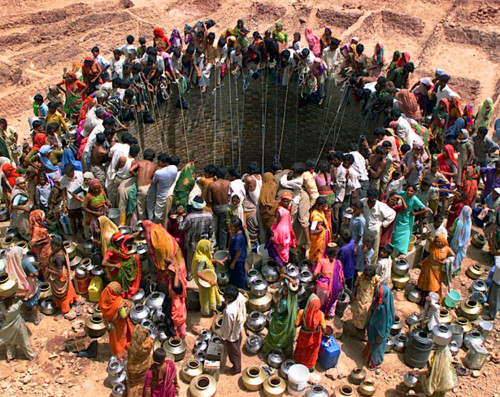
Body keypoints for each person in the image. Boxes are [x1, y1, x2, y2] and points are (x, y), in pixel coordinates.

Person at [177, 196, 214, 279]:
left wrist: (180, 216)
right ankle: (203, 274)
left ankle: (190, 275)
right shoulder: (209, 216)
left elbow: (181, 228)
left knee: (190, 261)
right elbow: (211, 230)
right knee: (203, 259)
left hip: (191, 243)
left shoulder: (190, 217)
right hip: (203, 243)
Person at [6, 246, 42, 325]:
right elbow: (36, 273)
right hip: (27, 286)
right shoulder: (24, 263)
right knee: (32, 302)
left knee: (21, 301)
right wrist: (33, 274)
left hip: (17, 289)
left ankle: (25, 315)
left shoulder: (8, 264)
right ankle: (36, 318)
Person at [99, 281, 134, 358]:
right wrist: (129, 306)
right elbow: (123, 315)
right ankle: (120, 353)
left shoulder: (103, 297)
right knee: (120, 338)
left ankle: (115, 351)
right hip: (119, 324)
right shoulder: (118, 302)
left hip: (109, 323)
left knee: (113, 338)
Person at [262, 283, 297, 357]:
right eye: (284, 290)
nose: (283, 292)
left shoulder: (285, 303)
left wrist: (278, 301)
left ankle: (270, 349)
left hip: (280, 322)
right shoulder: (293, 300)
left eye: (286, 291)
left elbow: (278, 311)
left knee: (274, 336)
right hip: (287, 322)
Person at [102, 232, 141, 299]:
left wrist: (142, 230)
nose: (121, 242)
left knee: (136, 257)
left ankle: (131, 287)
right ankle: (125, 293)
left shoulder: (122, 240)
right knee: (121, 276)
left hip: (125, 262)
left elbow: (132, 235)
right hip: (118, 267)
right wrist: (114, 265)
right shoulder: (111, 250)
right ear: (115, 243)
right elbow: (103, 263)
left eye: (122, 240)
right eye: (119, 242)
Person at [364, 284, 395, 369]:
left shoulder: (384, 310)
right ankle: (368, 357)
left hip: (379, 333)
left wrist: (380, 336)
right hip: (374, 329)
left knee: (376, 348)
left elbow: (384, 326)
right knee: (371, 345)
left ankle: (374, 363)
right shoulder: (379, 302)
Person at [293, 294, 326, 370]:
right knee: (312, 352)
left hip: (304, 336)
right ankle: (310, 366)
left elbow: (296, 325)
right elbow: (324, 329)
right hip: (315, 338)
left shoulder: (302, 312)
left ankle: (298, 361)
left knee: (301, 349)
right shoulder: (320, 314)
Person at [46, 236, 78, 314]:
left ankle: (65, 309)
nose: (51, 248)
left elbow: (59, 273)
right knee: (67, 290)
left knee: (62, 295)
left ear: (58, 247)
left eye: (53, 247)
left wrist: (49, 270)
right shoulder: (59, 252)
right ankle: (72, 300)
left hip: (60, 278)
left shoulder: (58, 258)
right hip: (64, 274)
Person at [0, 294, 36, 362]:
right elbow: (25, 296)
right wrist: (16, 294)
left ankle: (10, 356)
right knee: (24, 341)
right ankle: (31, 355)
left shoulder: (2, 306)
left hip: (8, 326)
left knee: (9, 342)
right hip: (18, 326)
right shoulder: (16, 306)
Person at [390, 185, 426, 255]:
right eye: (408, 190)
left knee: (405, 234)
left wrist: (415, 213)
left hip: (408, 218)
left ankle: (402, 250)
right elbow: (393, 196)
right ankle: (393, 246)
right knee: (396, 231)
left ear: (414, 192)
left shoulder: (415, 199)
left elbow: (425, 209)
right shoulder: (402, 193)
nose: (409, 192)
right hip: (399, 215)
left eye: (411, 191)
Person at [417, 234, 454, 301]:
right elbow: (428, 237)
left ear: (442, 242)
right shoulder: (433, 245)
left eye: (438, 242)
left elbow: (453, 256)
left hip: (437, 270)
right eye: (436, 241)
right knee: (426, 282)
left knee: (434, 285)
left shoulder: (447, 249)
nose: (437, 243)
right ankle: (423, 298)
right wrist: (427, 233)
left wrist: (446, 260)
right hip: (428, 266)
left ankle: (433, 299)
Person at [221, 285, 246, 375]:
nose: (223, 296)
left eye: (225, 296)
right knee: (238, 336)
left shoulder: (229, 312)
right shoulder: (239, 296)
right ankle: (237, 343)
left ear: (230, 298)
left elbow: (227, 327)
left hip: (232, 333)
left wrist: (224, 337)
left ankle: (236, 368)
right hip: (239, 324)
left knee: (233, 351)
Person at [192, 239, 222, 316]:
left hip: (207, 280)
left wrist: (217, 261)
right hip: (205, 283)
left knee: (210, 295)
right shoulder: (201, 260)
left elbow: (208, 260)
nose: (210, 248)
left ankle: (211, 308)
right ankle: (206, 312)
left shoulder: (200, 254)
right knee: (206, 298)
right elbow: (199, 273)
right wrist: (209, 281)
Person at [313, 246, 344, 317]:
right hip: (334, 288)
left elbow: (315, 273)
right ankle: (330, 314)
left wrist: (314, 278)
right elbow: (341, 276)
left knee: (320, 302)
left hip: (322, 288)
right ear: (336, 254)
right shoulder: (338, 263)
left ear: (326, 252)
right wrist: (343, 285)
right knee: (332, 302)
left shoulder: (322, 261)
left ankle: (319, 315)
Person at [126, 325, 154, 397]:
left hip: (132, 369)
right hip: (144, 367)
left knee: (133, 385)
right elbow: (151, 342)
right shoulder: (146, 346)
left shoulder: (132, 345)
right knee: (143, 383)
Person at [351, 265, 380, 332]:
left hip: (368, 299)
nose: (367, 278)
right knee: (357, 312)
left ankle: (362, 327)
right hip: (359, 297)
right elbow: (356, 285)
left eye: (369, 277)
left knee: (365, 314)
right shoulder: (360, 276)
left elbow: (376, 290)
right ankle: (356, 326)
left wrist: (375, 300)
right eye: (366, 276)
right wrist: (353, 294)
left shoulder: (376, 279)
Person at [207, 166, 230, 249]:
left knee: (215, 228)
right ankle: (222, 247)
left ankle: (214, 245)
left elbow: (209, 200)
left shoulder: (212, 185)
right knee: (223, 228)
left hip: (216, 207)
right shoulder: (228, 183)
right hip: (225, 206)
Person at [166, 261, 187, 338]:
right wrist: (172, 263)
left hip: (177, 306)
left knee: (178, 321)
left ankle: (181, 335)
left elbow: (175, 285)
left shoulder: (177, 284)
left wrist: (177, 271)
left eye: (171, 272)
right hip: (174, 302)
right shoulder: (172, 280)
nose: (169, 274)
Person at [449, 206, 472, 275]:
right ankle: (456, 268)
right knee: (459, 257)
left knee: (452, 254)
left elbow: (451, 230)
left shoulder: (459, 221)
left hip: (455, 243)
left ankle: (450, 269)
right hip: (463, 244)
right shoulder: (469, 221)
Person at [28, 210, 52, 277]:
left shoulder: (35, 226)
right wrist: (45, 241)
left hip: (41, 252)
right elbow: (32, 243)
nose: (44, 218)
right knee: (48, 267)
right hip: (45, 253)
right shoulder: (38, 230)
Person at [309, 197, 332, 265]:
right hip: (318, 240)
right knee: (318, 256)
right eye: (322, 206)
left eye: (325, 206)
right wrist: (320, 231)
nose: (324, 208)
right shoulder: (316, 217)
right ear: (317, 206)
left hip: (323, 238)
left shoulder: (321, 212)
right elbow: (312, 231)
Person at [227, 218, 248, 289]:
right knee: (235, 274)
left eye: (232, 226)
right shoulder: (236, 234)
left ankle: (243, 289)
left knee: (240, 275)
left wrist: (233, 263)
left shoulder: (238, 238)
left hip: (238, 260)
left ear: (237, 227)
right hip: (235, 258)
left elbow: (238, 252)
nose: (230, 227)